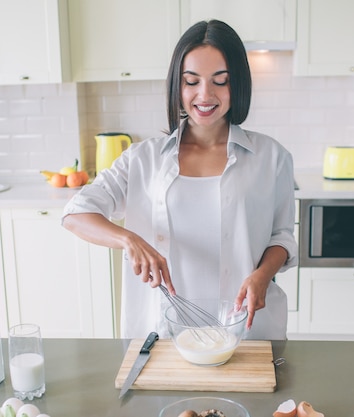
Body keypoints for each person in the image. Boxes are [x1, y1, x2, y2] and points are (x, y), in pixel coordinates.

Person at [61, 20, 297, 340]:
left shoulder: (272, 157)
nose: (205, 94)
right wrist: (129, 240)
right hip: (163, 333)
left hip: (247, 329)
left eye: (220, 81)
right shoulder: (142, 159)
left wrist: (262, 275)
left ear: (237, 84)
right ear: (178, 85)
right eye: (192, 81)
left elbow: (281, 238)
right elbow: (75, 212)